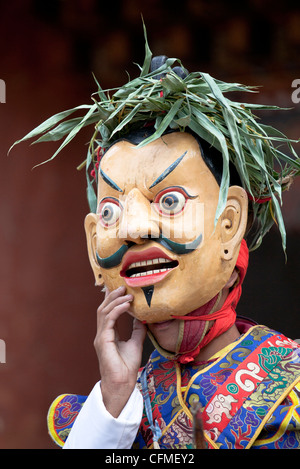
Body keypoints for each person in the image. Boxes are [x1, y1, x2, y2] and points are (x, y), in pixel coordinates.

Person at [14, 42, 300, 449]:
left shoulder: (289, 386)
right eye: (111, 211)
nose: (133, 229)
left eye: (170, 201)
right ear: (94, 242)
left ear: (229, 222)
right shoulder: (122, 407)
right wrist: (113, 400)